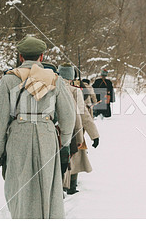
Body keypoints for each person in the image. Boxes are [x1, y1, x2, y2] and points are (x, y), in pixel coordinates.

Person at [0, 36, 76, 219]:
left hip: (18, 135)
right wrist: (66, 144)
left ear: (21, 57)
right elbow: (69, 117)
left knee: (19, 186)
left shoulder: (9, 80)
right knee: (47, 186)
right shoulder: (55, 79)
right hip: (47, 135)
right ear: (42, 56)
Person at [58, 64, 100, 195]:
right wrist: (95, 134)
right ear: (71, 77)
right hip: (72, 131)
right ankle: (70, 187)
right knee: (75, 157)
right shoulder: (75, 91)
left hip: (52, 130)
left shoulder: (50, 87)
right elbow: (83, 115)